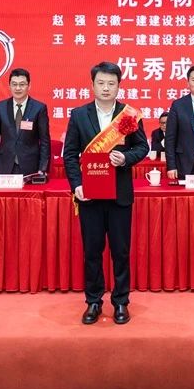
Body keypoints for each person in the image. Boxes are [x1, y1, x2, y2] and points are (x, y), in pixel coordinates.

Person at [62, 61, 149, 325]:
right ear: (92, 85)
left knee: (120, 252)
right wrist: (76, 185)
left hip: (119, 195)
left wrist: (126, 158)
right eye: (101, 83)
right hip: (89, 195)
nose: (106, 88)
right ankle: (94, 301)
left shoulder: (128, 115)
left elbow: (142, 148)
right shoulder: (79, 115)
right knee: (92, 251)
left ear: (119, 86)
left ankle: (121, 302)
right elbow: (70, 155)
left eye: (111, 83)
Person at [0, 68, 51, 181]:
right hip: (4, 167)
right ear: (9, 86)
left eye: (22, 84)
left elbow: (45, 142)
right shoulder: (0, 108)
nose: (18, 88)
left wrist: (42, 169)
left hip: (31, 169)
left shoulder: (39, 108)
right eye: (14, 84)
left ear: (29, 86)